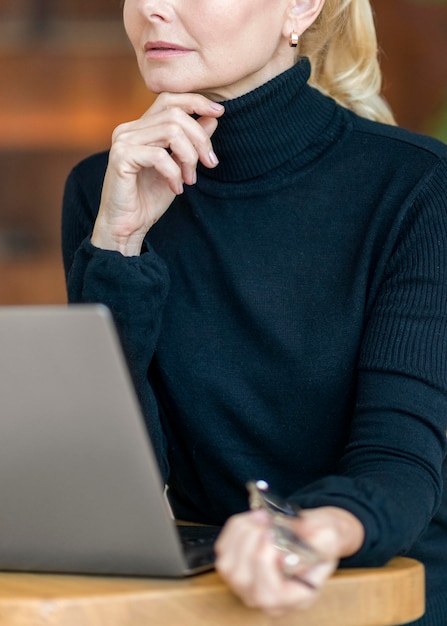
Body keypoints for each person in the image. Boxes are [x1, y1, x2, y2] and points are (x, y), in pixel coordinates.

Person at [61, 0, 447, 623]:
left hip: (374, 596)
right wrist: (118, 245)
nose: (153, 9)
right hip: (206, 599)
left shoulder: (417, 187)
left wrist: (296, 536)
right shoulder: (105, 189)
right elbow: (105, 477)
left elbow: (400, 468)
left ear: (299, 8)